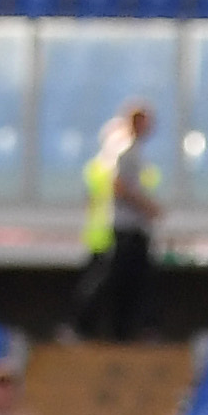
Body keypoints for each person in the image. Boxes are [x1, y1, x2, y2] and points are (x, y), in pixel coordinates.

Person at [75, 103, 161, 342]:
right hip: (124, 229)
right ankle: (93, 328)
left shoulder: (136, 153)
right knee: (113, 280)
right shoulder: (125, 153)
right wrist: (147, 207)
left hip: (132, 227)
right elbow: (119, 186)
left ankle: (125, 331)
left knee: (133, 283)